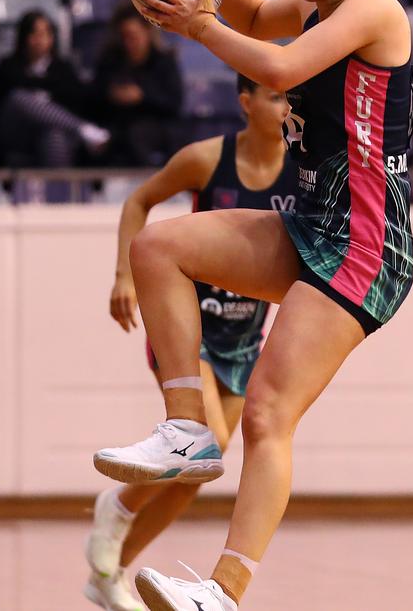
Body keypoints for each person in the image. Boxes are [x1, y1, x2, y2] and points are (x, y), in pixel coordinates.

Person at [93, 0, 413, 611]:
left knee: (269, 411)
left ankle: (225, 591)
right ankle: (188, 428)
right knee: (159, 246)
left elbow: (273, 66)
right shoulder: (312, 3)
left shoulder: (375, 11)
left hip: (368, 244)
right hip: (311, 222)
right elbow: (260, 15)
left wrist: (196, 27)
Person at [85, 75, 296, 611]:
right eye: (274, 96)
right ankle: (119, 507)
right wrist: (123, 275)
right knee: (213, 442)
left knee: (193, 472)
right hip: (190, 329)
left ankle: (114, 563)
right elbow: (140, 200)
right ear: (245, 103)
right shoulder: (207, 158)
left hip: (245, 339)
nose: (286, 105)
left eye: (290, 96)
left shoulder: (304, 167)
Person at [0, 9, 109, 168]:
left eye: (45, 34)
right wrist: (41, 96)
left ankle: (59, 190)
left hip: (54, 132)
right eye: (34, 34)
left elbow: (74, 101)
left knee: (55, 136)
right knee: (19, 97)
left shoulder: (64, 69)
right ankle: (82, 129)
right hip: (17, 132)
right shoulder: (8, 66)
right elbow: (4, 103)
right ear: (23, 37)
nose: (39, 40)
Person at [91, 4, 184, 168]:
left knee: (136, 135)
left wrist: (142, 97)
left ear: (147, 32)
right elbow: (93, 98)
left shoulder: (164, 61)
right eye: (124, 37)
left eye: (133, 36)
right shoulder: (111, 62)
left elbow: (174, 103)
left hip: (156, 125)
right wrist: (112, 95)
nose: (129, 43)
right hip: (117, 124)